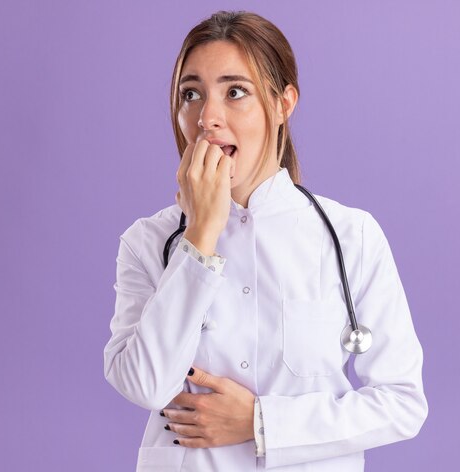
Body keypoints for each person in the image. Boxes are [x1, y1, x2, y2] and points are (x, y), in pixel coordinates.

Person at [103, 10, 428, 471]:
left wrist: (261, 423)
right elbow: (144, 385)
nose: (206, 118)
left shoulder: (350, 236)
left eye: (235, 92)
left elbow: (402, 403)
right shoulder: (148, 242)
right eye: (190, 94)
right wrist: (200, 237)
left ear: (283, 104)